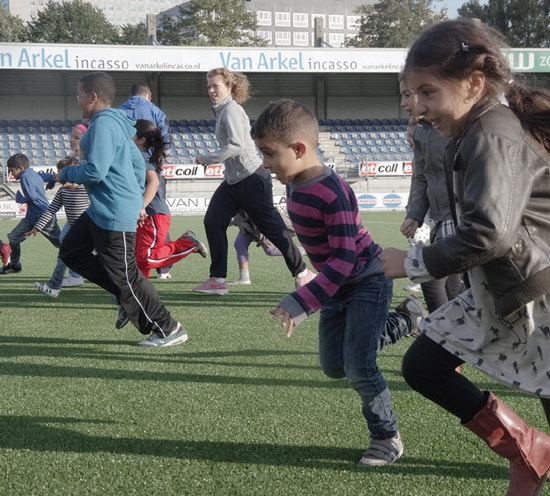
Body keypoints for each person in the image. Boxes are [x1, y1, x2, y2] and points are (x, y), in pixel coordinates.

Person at [381, 19, 550, 496]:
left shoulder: (491, 132)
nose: (417, 106)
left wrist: (413, 262)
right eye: (412, 94)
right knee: (423, 366)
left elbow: (491, 233)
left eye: (428, 92)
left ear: (473, 83)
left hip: (539, 290)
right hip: (505, 286)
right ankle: (526, 448)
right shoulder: (475, 127)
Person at [250, 99, 427, 467]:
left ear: (299, 149)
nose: (265, 163)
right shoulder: (294, 182)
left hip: (366, 280)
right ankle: (406, 319)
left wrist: (302, 299)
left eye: (269, 154)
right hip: (336, 286)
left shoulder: (333, 191)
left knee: (360, 367)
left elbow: (346, 260)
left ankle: (385, 436)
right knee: (335, 366)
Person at [58, 71, 187, 348]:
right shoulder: (118, 121)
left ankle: (168, 327)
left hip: (114, 212)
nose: (77, 100)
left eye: (79, 95)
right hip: (102, 210)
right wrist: (131, 193)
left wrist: (67, 173)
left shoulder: (104, 124)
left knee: (127, 276)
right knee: (71, 250)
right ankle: (124, 298)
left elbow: (95, 172)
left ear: (92, 96)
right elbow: (139, 166)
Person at [192, 68, 313, 296]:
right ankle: (217, 280)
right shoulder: (222, 111)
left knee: (273, 229)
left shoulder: (231, 111)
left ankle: (303, 274)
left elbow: (237, 145)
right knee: (213, 221)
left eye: (215, 86)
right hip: (234, 181)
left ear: (229, 87)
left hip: (251, 179)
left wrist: (207, 158)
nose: (211, 90)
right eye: (208, 86)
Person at [399, 80, 464, 312]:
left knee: (431, 276)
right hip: (440, 220)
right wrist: (415, 214)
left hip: (461, 219)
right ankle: (453, 334)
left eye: (408, 95)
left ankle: (441, 331)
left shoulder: (456, 126)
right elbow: (422, 177)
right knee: (454, 286)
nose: (403, 103)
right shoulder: (421, 132)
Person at [133, 119, 207, 279]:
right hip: (148, 213)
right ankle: (135, 295)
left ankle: (188, 243)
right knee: (139, 259)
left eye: (131, 133)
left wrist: (142, 206)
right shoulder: (143, 155)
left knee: (145, 258)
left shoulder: (142, 157)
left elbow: (154, 183)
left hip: (153, 214)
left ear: (141, 140)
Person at [27, 156, 90, 298]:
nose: (58, 176)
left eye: (61, 173)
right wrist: (37, 227)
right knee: (64, 248)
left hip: (88, 227)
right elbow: (50, 210)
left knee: (69, 252)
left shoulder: (86, 188)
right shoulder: (62, 191)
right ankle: (68, 279)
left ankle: (58, 284)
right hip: (72, 225)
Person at [0, 153, 61, 275]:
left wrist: (20, 199)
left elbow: (32, 197)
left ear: (21, 168)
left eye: (12, 171)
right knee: (14, 237)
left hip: (43, 216)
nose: (11, 174)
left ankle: (89, 254)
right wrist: (52, 181)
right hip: (32, 217)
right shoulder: (32, 173)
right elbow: (52, 176)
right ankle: (15, 265)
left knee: (62, 243)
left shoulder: (25, 177)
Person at [228, 209, 305, 285]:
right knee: (240, 245)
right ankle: (244, 278)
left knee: (270, 250)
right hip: (244, 219)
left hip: (259, 218)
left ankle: (306, 251)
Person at [60, 122, 89, 288]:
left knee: (67, 239)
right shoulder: (74, 158)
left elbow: (83, 181)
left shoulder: (85, 158)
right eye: (71, 136)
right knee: (65, 239)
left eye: (76, 137)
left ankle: (77, 275)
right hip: (77, 211)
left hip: (85, 209)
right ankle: (77, 274)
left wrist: (70, 182)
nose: (72, 140)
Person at [118, 81, 171, 146]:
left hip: (122, 154)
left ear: (130, 96)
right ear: (149, 95)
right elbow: (165, 138)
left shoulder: (117, 112)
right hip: (148, 155)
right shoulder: (157, 113)